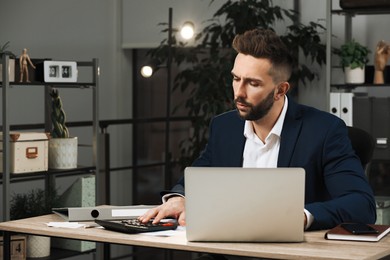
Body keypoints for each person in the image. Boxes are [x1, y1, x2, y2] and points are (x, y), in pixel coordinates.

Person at [139, 29, 376, 233]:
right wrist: (181, 198)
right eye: (235, 78)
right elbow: (198, 175)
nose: (238, 92)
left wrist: (301, 216)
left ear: (280, 90)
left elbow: (362, 204)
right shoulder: (224, 127)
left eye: (253, 83)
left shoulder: (325, 131)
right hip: (230, 251)